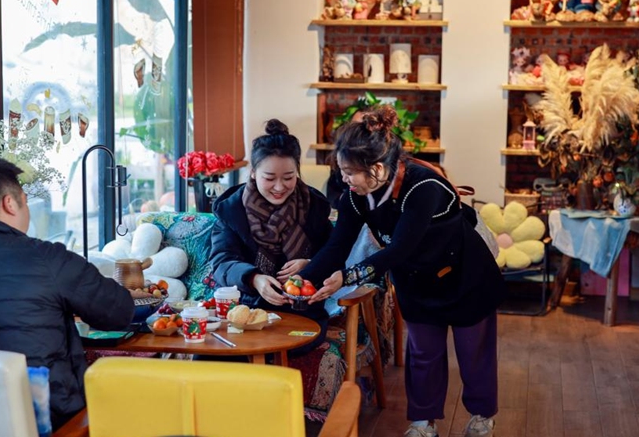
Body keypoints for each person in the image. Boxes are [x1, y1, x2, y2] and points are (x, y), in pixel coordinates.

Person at [294, 106, 506, 437]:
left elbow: (399, 248)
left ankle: (481, 417)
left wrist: (347, 277)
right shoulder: (356, 196)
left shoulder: (424, 187)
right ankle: (423, 423)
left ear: (377, 168)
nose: (344, 179)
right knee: (423, 353)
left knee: (473, 352)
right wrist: (302, 280)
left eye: (349, 172)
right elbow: (337, 246)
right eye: (342, 171)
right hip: (415, 280)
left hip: (466, 276)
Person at [0, 157, 135, 431]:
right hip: (50, 425)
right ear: (9, 203)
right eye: (25, 201)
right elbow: (119, 312)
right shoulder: (47, 258)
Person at [210, 119, 333, 351]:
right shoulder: (232, 210)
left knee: (288, 348)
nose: (279, 187)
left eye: (288, 177)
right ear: (253, 172)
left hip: (302, 312)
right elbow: (221, 262)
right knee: (213, 356)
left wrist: (311, 265)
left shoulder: (315, 207)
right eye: (269, 178)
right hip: (245, 310)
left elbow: (335, 255)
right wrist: (254, 279)